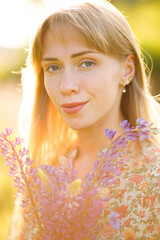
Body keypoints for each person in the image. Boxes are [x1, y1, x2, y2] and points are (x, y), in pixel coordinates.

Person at [8, 0, 160, 239]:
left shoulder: (154, 175)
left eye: (87, 63)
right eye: (53, 67)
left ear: (127, 70)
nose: (66, 86)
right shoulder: (42, 175)